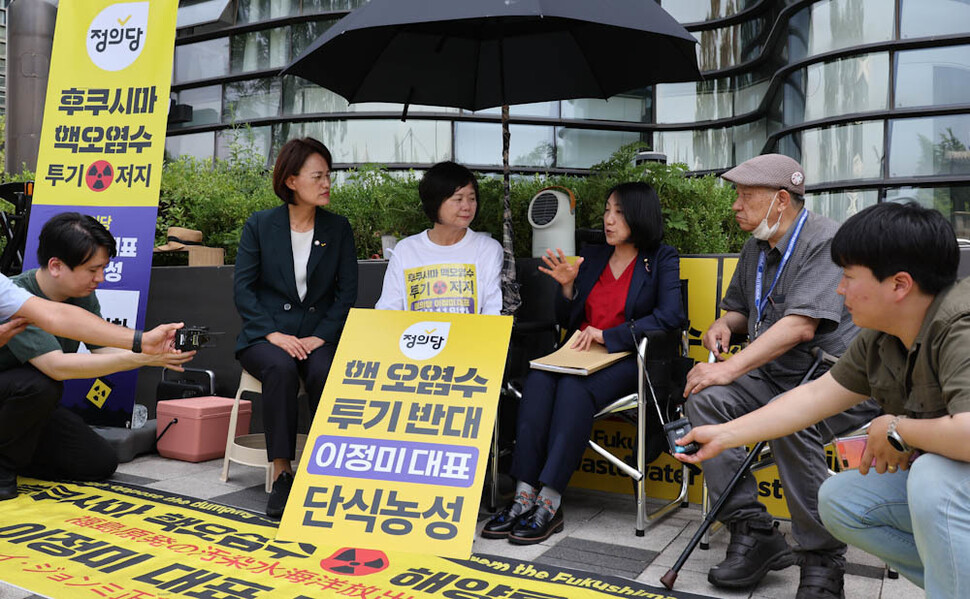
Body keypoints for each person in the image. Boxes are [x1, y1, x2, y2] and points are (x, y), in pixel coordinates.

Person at [675, 201, 969, 599]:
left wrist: (897, 429)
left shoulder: (959, 326)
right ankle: (950, 582)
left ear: (899, 285)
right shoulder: (882, 335)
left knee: (931, 480)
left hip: (951, 483)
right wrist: (724, 435)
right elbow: (813, 397)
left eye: (848, 276)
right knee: (839, 501)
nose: (839, 289)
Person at [681, 154, 880, 598]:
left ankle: (822, 557)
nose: (735, 204)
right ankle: (754, 531)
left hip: (836, 379)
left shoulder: (825, 240)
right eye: (737, 194)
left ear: (781, 200)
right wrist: (723, 325)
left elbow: (800, 326)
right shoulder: (756, 244)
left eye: (745, 195)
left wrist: (730, 367)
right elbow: (739, 308)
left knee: (789, 419)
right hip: (775, 376)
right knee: (705, 399)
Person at [481, 182, 684, 544]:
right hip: (579, 354)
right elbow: (569, 318)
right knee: (539, 379)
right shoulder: (593, 256)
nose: (608, 220)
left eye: (618, 212)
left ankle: (550, 501)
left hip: (629, 360)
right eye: (607, 211)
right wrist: (567, 289)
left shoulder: (662, 258)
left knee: (574, 390)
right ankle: (524, 492)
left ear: (640, 214)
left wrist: (612, 335)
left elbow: (670, 318)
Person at [0, 212, 194, 501]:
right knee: (40, 384)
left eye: (103, 268)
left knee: (98, 462)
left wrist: (151, 348)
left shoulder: (79, 293)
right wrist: (141, 357)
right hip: (17, 393)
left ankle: (17, 451)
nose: (100, 278)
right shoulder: (16, 295)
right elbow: (56, 366)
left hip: (31, 408)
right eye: (93, 270)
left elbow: (100, 344)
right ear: (56, 266)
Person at [234, 137, 358, 519]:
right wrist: (272, 334)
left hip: (317, 335)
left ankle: (328, 468)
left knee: (324, 369)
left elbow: (347, 292)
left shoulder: (338, 228)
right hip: (265, 336)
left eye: (328, 176)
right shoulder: (260, 224)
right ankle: (282, 472)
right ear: (291, 181)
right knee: (281, 368)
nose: (326, 184)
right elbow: (244, 287)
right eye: (317, 176)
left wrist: (321, 335)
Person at [375, 161, 502, 315]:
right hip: (418, 337)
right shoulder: (406, 250)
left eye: (472, 198)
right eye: (458, 199)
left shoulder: (487, 249)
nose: (467, 206)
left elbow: (494, 310)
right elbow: (388, 310)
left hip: (471, 338)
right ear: (435, 202)